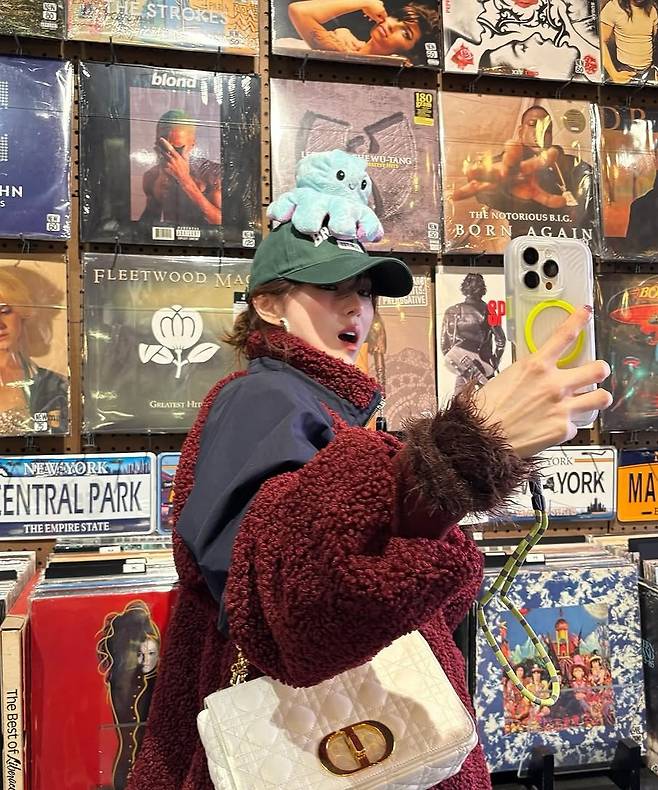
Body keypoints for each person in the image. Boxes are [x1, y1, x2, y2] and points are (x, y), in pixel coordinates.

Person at [126, 217, 612, 790]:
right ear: (268, 305)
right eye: (331, 288)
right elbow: (283, 595)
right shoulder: (264, 397)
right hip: (323, 743)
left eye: (364, 291)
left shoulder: (317, 402)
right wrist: (457, 454)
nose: (356, 307)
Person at [452, 104, 596, 239]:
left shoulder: (571, 164)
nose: (541, 132)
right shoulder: (506, 164)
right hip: (526, 244)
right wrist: (502, 183)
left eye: (547, 129)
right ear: (521, 132)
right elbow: (489, 190)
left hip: (573, 245)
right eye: (533, 125)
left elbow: (594, 193)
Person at [97, 601, 162, 790]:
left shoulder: (153, 682)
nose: (146, 660)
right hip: (126, 769)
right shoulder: (122, 682)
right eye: (140, 653)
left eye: (151, 653)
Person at [0, 269, 68, 436]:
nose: (0, 325)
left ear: (21, 314)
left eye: (5, 311)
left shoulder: (53, 384)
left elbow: (56, 438)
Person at [283, 0, 440, 64]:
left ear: (410, 56)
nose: (392, 25)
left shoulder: (348, 54)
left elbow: (299, 11)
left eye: (406, 33)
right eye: (397, 18)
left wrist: (363, 2)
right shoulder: (348, 44)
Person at [140, 110, 222, 228]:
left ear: (192, 145)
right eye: (163, 146)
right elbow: (147, 223)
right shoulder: (152, 176)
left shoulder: (212, 174)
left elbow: (222, 222)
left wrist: (185, 180)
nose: (169, 153)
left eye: (176, 148)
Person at [440, 272, 506, 393]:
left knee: (460, 400)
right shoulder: (490, 310)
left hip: (462, 362)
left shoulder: (452, 311)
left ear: (464, 288)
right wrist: (494, 362)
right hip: (484, 364)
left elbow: (445, 346)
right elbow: (501, 341)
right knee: (489, 399)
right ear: (482, 289)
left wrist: (460, 362)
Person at [600, 0, 658, 84]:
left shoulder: (652, 9)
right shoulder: (613, 7)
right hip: (626, 71)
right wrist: (614, 74)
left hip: (649, 71)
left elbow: (655, 41)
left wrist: (656, 68)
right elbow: (600, 42)